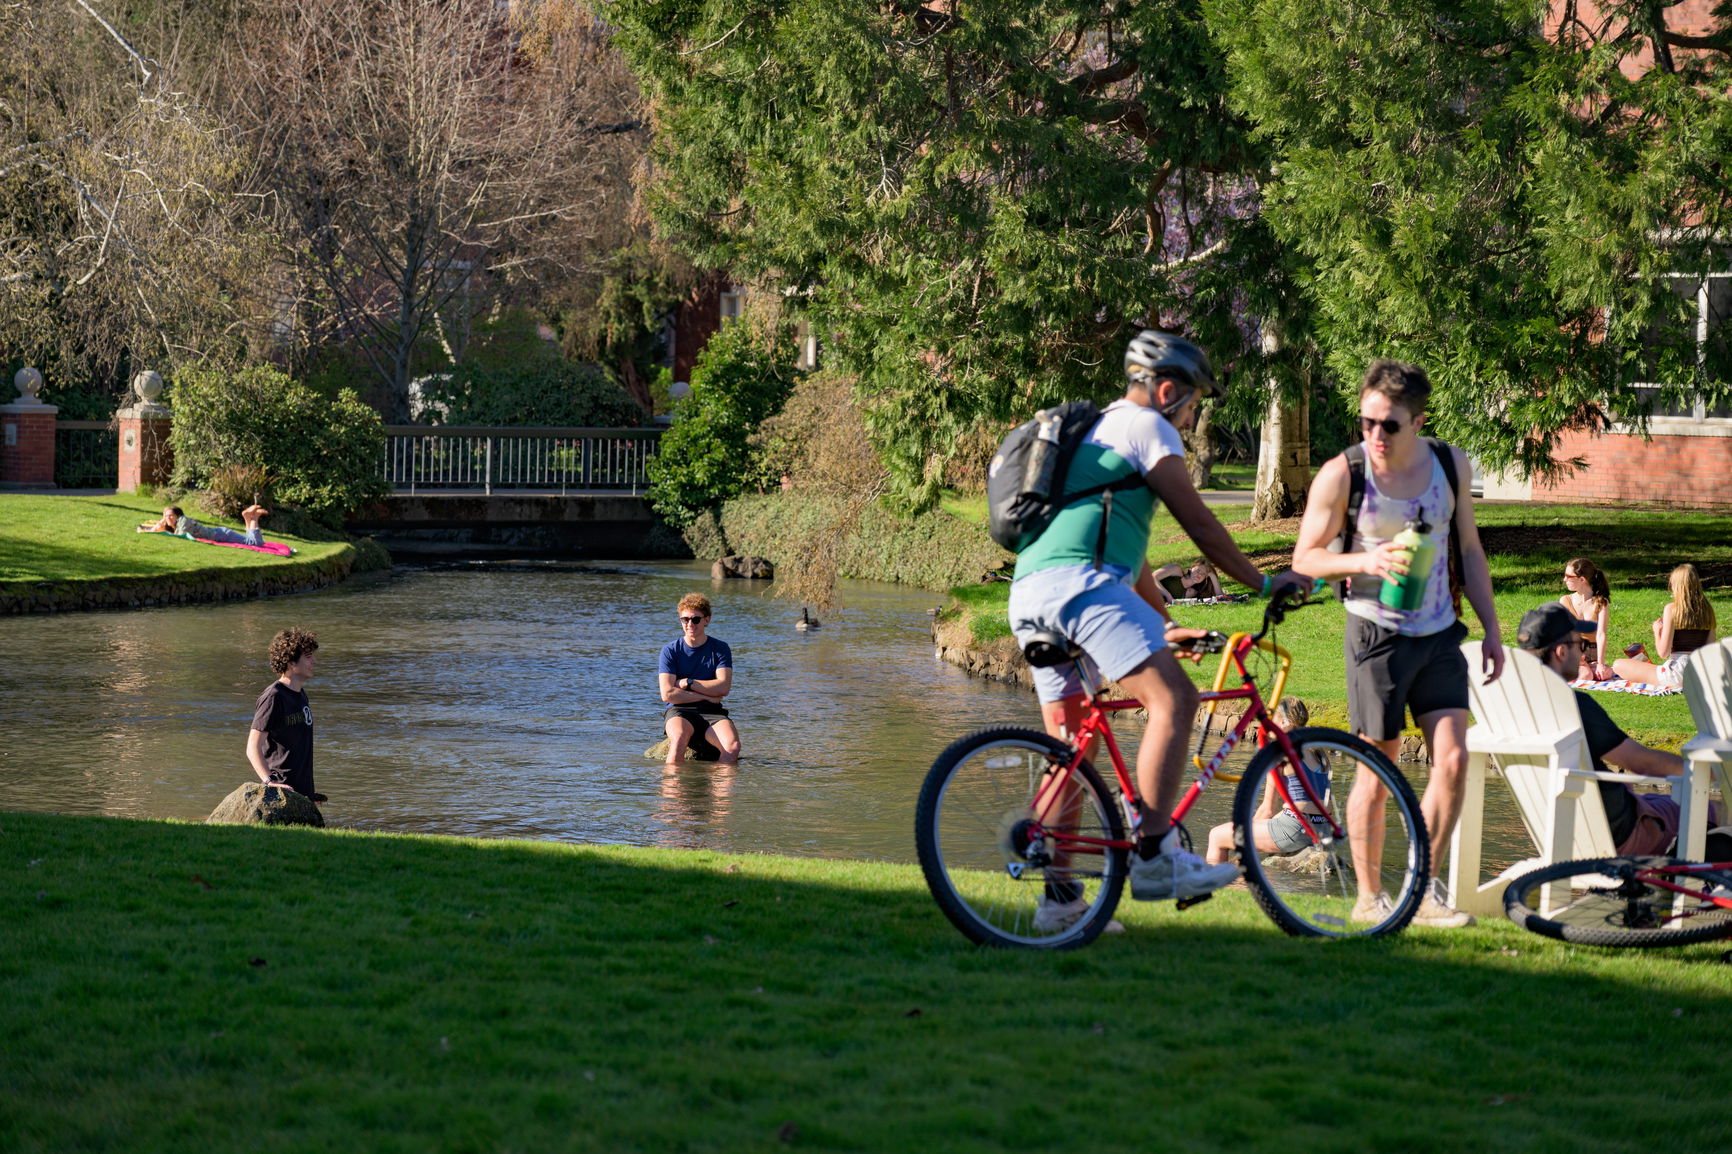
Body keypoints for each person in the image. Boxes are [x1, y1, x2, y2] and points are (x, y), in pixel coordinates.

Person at [1007, 329, 1308, 932]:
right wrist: (1263, 582)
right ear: (1166, 389)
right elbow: (1199, 523)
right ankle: (1154, 854)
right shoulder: (1148, 428)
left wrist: (1164, 625)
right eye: (1193, 403)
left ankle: (1060, 901)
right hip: (1082, 590)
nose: (1193, 416)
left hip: (1031, 592)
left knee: (1074, 750)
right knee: (1175, 699)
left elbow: (1130, 556)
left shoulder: (1096, 436)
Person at [1291, 358, 1505, 929]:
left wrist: (1491, 628)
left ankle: (1424, 888)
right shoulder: (1344, 474)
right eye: (1366, 423)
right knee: (1378, 770)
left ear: (1418, 421)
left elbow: (1472, 550)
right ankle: (1367, 898)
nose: (1375, 436)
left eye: (1389, 425)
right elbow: (1305, 558)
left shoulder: (1447, 464)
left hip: (1438, 631)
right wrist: (1366, 558)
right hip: (1375, 634)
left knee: (1454, 760)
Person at [1518, 602, 1696, 854]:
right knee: (1704, 810)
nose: (1583, 650)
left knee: (1654, 800)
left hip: (1554, 834)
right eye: (1579, 645)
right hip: (1616, 833)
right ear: (1560, 652)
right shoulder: (1573, 706)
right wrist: (1705, 770)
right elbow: (1643, 763)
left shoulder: (1516, 707)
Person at [658, 593, 741, 767]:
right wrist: (706, 695)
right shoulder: (670, 650)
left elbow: (723, 687)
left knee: (732, 748)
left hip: (712, 711)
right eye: (685, 619)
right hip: (679, 711)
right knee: (679, 740)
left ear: (707, 620)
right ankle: (673, 792)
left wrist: (689, 683)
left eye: (695, 619)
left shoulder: (720, 648)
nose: (690, 624)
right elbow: (668, 695)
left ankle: (717, 791)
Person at [246, 627, 323, 802]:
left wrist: (308, 794)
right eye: (308, 657)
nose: (314, 661)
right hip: (281, 792)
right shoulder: (274, 697)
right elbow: (252, 747)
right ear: (291, 662)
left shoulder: (301, 694)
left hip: (300, 793)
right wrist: (269, 782)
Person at [1612, 563, 1717, 687]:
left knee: (1618, 665)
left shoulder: (1672, 609)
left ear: (1677, 586)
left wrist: (1657, 631)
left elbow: (1663, 653)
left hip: (1677, 673)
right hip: (1701, 673)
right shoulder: (1708, 609)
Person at [1560, 557, 1614, 680]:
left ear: (1582, 579)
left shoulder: (1601, 602)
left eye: (1568, 576)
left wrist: (1600, 664)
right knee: (1586, 675)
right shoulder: (1565, 601)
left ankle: (1590, 667)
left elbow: (1601, 634)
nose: (1564, 580)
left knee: (1605, 674)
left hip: (1592, 653)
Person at [139, 504, 272, 547]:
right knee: (250, 540)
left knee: (255, 543)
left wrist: (159, 530)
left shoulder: (183, 521)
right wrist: (153, 528)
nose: (168, 518)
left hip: (221, 535)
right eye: (166, 516)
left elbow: (179, 537)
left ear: (178, 515)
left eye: (171, 516)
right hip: (220, 533)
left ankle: (252, 517)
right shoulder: (177, 523)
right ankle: (250, 517)